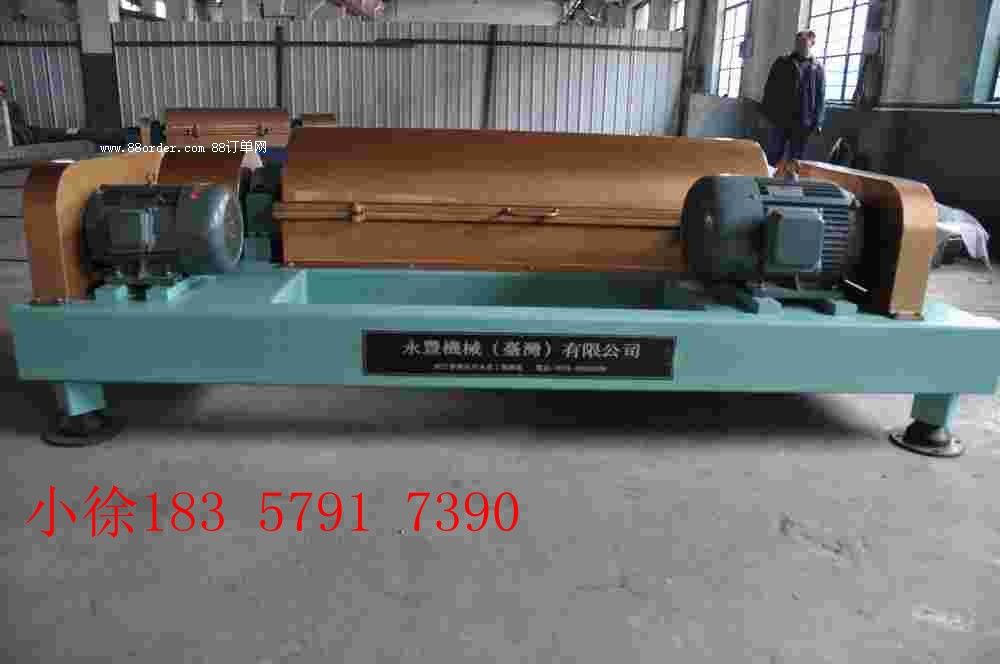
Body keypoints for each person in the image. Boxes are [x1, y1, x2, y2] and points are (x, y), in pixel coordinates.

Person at [760, 30, 826, 166]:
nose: (799, 45)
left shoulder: (817, 68)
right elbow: (770, 88)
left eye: (803, 42)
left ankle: (791, 179)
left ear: (812, 43)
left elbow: (820, 96)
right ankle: (768, 177)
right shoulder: (782, 62)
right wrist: (766, 113)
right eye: (797, 42)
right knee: (773, 154)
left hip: (803, 121)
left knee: (796, 160)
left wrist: (818, 122)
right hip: (781, 118)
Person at [0, 79, 34, 145]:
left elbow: (20, 126)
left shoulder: (13, 106)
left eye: (2, 90)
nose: (1, 93)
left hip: (13, 139)